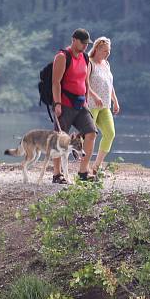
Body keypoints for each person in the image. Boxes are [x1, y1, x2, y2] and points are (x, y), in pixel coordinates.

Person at [51, 28, 98, 183]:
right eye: (83, 43)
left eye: (87, 43)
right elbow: (55, 82)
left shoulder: (85, 58)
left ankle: (83, 172)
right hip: (64, 104)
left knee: (91, 133)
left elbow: (85, 82)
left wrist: (86, 101)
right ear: (74, 40)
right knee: (60, 139)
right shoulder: (62, 56)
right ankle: (57, 174)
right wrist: (57, 103)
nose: (85, 46)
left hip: (81, 104)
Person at [87, 36, 120, 176]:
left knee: (110, 133)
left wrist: (115, 100)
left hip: (105, 105)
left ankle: (96, 166)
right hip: (91, 104)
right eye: (105, 51)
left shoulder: (106, 64)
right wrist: (95, 96)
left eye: (109, 51)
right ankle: (84, 168)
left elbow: (109, 84)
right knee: (89, 136)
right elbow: (85, 84)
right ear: (97, 49)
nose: (108, 53)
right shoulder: (89, 63)